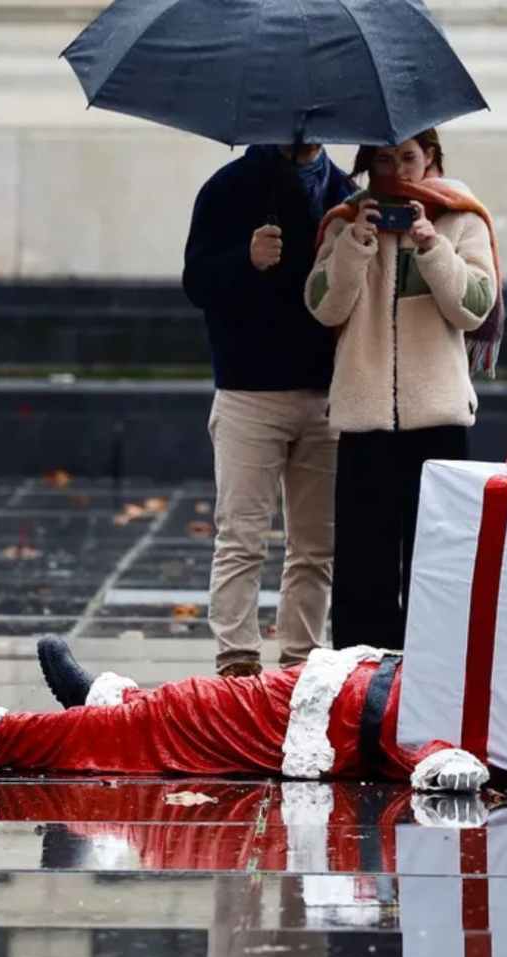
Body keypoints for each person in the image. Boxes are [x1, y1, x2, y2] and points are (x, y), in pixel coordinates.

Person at [304, 129, 503, 651]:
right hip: (364, 415)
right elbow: (323, 307)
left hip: (437, 419)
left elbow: (473, 307)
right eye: (385, 160)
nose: (397, 171)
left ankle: (432, 668)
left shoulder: (461, 217)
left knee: (436, 559)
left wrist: (432, 247)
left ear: (430, 157)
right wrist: (354, 246)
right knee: (362, 563)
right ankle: (361, 674)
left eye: (408, 157)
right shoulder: (345, 221)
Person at [183, 144, 354, 677]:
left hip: (327, 396)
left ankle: (301, 665)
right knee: (241, 538)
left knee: (316, 545)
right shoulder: (228, 187)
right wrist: (247, 259)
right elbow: (196, 282)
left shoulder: (344, 194)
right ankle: (236, 662)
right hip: (249, 394)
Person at [0, 637, 488, 791]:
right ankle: (114, 704)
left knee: (181, 717)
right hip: (342, 687)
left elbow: (430, 750)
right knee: (192, 703)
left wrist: (445, 760)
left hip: (332, 724)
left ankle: (9, 735)